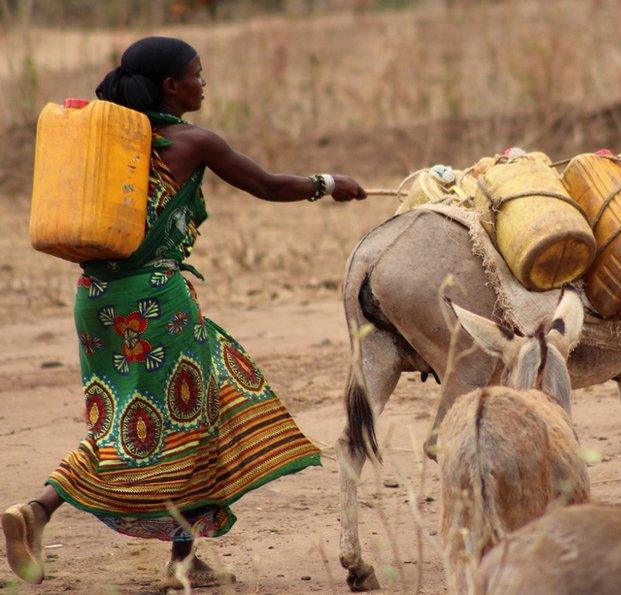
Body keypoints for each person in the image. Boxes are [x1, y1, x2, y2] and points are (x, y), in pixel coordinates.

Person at [1, 36, 367, 588]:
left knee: (136, 414)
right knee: (182, 418)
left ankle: (160, 551)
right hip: (157, 303)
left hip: (95, 299)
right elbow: (267, 185)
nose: (204, 82)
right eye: (197, 73)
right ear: (172, 86)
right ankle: (51, 511)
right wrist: (330, 184)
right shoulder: (191, 141)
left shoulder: (106, 146)